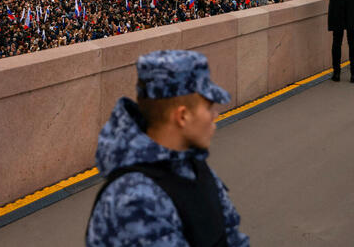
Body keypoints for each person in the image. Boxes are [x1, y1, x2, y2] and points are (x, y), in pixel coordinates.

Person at [86, 50, 248, 246]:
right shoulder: (134, 201)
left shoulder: (190, 165)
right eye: (208, 107)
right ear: (182, 116)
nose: (215, 115)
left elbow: (231, 235)